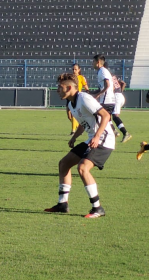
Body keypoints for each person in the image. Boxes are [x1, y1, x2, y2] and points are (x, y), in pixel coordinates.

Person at [45, 73, 115, 218]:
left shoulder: (84, 98)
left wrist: (96, 136)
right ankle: (62, 204)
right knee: (64, 163)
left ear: (69, 87)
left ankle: (97, 208)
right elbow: (84, 123)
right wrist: (75, 137)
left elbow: (106, 115)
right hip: (92, 139)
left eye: (60, 87)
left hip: (104, 139)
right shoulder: (71, 103)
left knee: (83, 168)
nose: (57, 90)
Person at [91, 54, 119, 139]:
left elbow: (108, 85)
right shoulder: (101, 71)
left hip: (106, 101)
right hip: (108, 100)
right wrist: (92, 93)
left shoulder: (102, 71)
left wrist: (98, 95)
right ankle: (112, 132)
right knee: (104, 119)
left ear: (98, 62)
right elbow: (104, 87)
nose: (92, 63)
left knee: (98, 118)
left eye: (93, 61)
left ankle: (105, 136)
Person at [107, 64, 132, 142]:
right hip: (119, 95)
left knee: (114, 116)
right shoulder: (114, 76)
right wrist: (120, 91)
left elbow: (111, 87)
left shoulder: (107, 77)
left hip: (116, 97)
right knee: (107, 114)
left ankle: (125, 133)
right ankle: (114, 131)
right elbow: (123, 83)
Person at [66, 63, 89, 135]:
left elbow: (86, 87)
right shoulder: (70, 78)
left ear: (79, 70)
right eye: (73, 69)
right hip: (69, 97)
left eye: (75, 69)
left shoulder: (81, 77)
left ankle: (73, 131)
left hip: (77, 97)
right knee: (69, 116)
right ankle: (79, 127)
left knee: (74, 114)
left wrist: (87, 93)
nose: (74, 71)